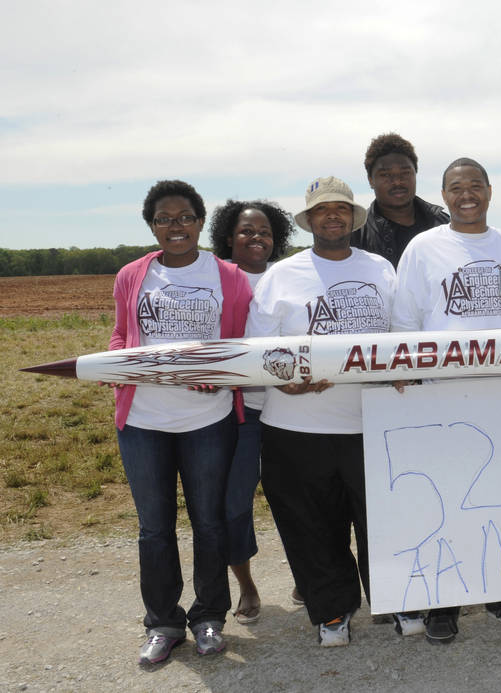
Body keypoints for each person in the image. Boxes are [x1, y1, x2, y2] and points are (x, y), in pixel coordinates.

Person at [391, 157, 501, 644]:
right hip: (443, 403)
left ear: (491, 191)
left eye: (476, 185)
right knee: (446, 501)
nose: (467, 194)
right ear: (444, 195)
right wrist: (410, 387)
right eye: (457, 187)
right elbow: (405, 325)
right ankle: (443, 601)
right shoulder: (423, 248)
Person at [246, 176, 396, 647]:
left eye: (342, 209)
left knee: (384, 520)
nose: (333, 216)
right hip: (296, 427)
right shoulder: (281, 276)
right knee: (313, 526)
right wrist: (281, 379)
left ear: (354, 218)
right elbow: (256, 348)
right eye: (322, 210)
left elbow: (402, 337)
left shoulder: (383, 270)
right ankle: (332, 611)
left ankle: (396, 601)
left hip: (370, 422)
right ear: (309, 220)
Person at [112, 180, 253, 664]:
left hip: (207, 421)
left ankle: (210, 617)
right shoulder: (132, 274)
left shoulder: (230, 277)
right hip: (144, 421)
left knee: (209, 523)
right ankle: (164, 623)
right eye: (164, 219)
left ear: (199, 222)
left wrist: (224, 377)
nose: (176, 226)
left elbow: (240, 347)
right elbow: (119, 338)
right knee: (154, 528)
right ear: (152, 226)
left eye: (185, 217)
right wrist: (117, 371)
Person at [207, 199, 295, 625]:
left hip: (294, 409)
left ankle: (307, 573)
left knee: (300, 499)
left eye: (264, 231)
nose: (256, 237)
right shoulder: (217, 278)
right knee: (234, 504)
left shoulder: (292, 277)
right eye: (246, 231)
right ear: (228, 237)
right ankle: (246, 584)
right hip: (242, 413)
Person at [350, 132, 449, 268]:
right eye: (385, 175)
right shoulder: (356, 234)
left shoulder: (443, 223)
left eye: (405, 173)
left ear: (415, 174)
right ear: (371, 180)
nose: (397, 182)